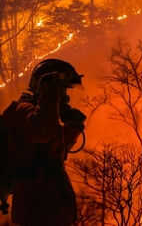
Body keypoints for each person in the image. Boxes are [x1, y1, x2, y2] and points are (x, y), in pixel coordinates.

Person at [1, 59, 86, 226]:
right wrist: (51, 95)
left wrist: (72, 129)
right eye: (62, 90)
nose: (65, 97)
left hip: (50, 210)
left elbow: (53, 149)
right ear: (46, 87)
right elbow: (43, 132)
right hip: (36, 210)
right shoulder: (23, 110)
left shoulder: (42, 116)